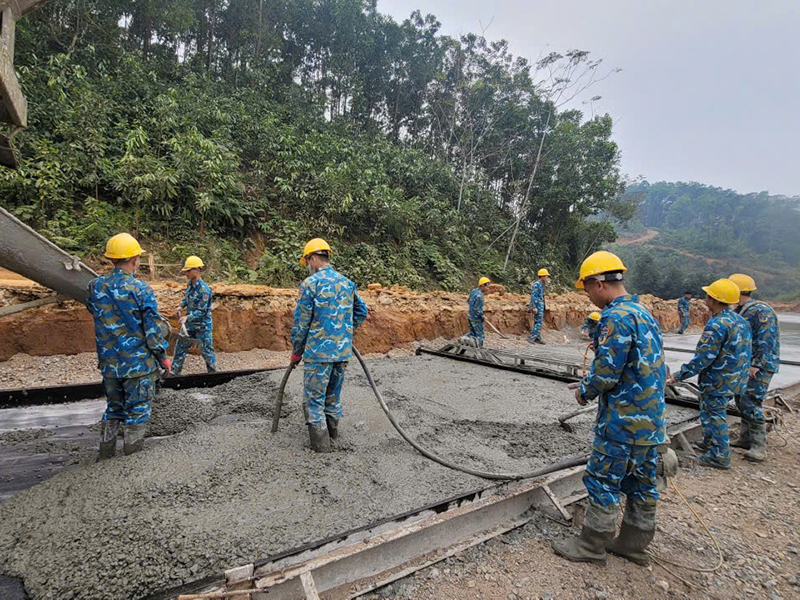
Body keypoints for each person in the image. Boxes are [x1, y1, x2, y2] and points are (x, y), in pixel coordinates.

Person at [553, 251, 666, 566]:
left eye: (587, 288)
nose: (588, 296)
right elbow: (645, 367)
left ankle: (591, 546)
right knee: (642, 482)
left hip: (622, 422)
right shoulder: (643, 313)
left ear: (599, 283)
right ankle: (633, 543)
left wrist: (585, 392)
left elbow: (606, 373)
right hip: (651, 423)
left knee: (603, 479)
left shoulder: (614, 317)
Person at [86, 233, 171, 459]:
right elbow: (152, 330)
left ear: (111, 259)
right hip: (138, 367)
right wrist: (162, 356)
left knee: (113, 409)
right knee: (137, 412)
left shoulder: (95, 286)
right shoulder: (140, 289)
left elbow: (94, 310)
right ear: (135, 260)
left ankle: (105, 457)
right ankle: (131, 464)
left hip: (110, 366)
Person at [290, 238, 368, 452]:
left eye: (307, 261)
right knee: (332, 398)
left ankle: (322, 448)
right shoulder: (346, 282)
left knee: (314, 401)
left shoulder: (310, 284)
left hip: (318, 354)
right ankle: (333, 436)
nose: (308, 266)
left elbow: (301, 323)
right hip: (342, 353)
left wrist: (296, 352)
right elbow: (362, 311)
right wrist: (343, 330)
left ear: (313, 258)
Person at [668, 279, 751, 470]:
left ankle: (720, 456)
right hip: (736, 378)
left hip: (718, 380)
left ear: (713, 300)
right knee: (709, 411)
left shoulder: (716, 325)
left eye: (708, 296)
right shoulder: (740, 320)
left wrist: (679, 375)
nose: (705, 298)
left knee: (715, 415)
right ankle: (709, 442)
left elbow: (704, 358)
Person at [728, 273, 780, 462]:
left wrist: (756, 364)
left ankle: (759, 445)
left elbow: (766, 340)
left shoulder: (760, 311)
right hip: (747, 364)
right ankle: (745, 439)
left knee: (751, 401)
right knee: (742, 400)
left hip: (760, 366)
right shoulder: (742, 310)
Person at [172, 255, 217, 375]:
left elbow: (202, 311)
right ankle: (174, 374)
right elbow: (187, 298)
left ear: (196, 270)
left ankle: (213, 375)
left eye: (188, 270)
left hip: (202, 326)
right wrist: (181, 306)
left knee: (207, 351)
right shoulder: (190, 285)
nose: (186, 273)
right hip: (189, 326)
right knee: (180, 347)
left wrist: (187, 317)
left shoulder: (204, 290)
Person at [467, 277, 491, 347]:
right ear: (482, 286)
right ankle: (480, 349)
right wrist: (482, 316)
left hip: (470, 316)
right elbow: (477, 309)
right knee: (480, 335)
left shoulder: (473, 291)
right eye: (487, 285)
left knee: (472, 333)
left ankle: (464, 339)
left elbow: (468, 301)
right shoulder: (480, 296)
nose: (488, 288)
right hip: (476, 318)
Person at [528, 268, 549, 345]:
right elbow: (534, 296)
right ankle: (531, 337)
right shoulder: (537, 284)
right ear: (542, 276)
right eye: (546, 276)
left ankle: (537, 338)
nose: (547, 278)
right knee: (538, 322)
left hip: (540, 305)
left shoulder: (541, 284)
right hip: (537, 305)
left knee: (539, 321)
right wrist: (534, 307)